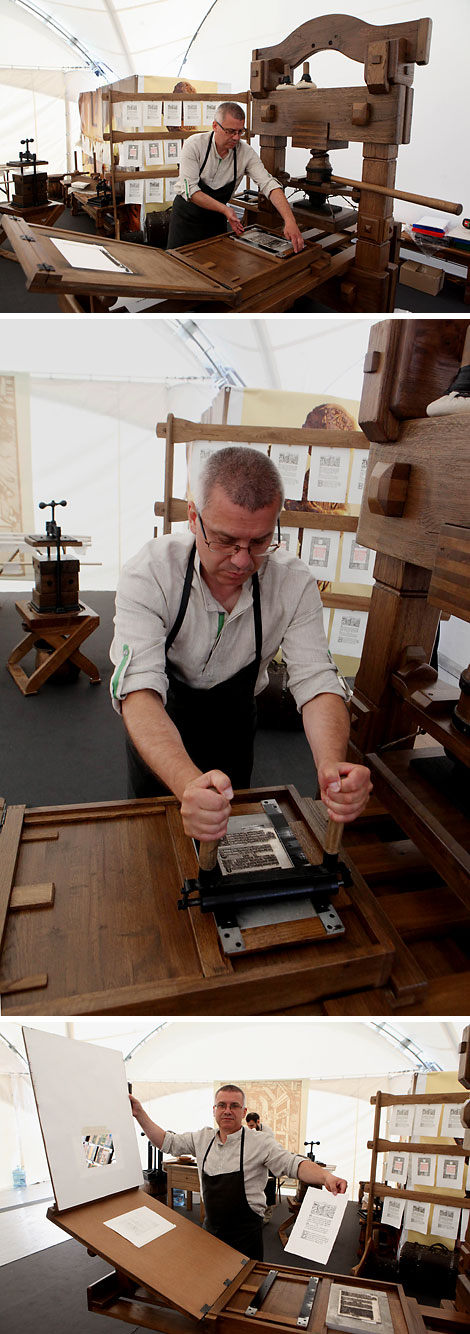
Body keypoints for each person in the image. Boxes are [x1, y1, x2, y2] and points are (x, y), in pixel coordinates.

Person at [110, 446, 372, 841]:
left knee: (234, 842)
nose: (242, 561)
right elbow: (138, 691)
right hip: (161, 726)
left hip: (233, 728)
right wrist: (187, 786)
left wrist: (333, 767)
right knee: (152, 848)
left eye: (260, 541)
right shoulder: (150, 574)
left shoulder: (292, 583)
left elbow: (317, 682)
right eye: (225, 540)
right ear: (194, 517)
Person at [129, 1083, 347, 1259]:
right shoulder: (201, 1138)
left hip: (246, 1236)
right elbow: (167, 1142)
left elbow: (293, 1164)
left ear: (243, 1112)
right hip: (211, 1232)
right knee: (212, 1291)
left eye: (234, 1106)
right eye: (222, 1105)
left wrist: (326, 1176)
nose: (227, 1110)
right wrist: (139, 1114)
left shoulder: (260, 1142)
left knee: (248, 1296)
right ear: (214, 1110)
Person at [167, 100, 304, 252]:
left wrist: (290, 220)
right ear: (215, 126)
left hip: (215, 221)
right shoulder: (194, 145)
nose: (237, 138)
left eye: (240, 132)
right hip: (186, 219)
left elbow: (268, 184)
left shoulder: (245, 153)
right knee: (178, 267)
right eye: (231, 131)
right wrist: (226, 210)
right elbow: (191, 191)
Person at [246, 1112, 277, 1223]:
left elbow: (268, 1148)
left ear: (258, 1122)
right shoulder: (248, 1130)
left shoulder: (267, 1131)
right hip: (256, 1161)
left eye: (252, 1126)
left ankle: (267, 1215)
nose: (250, 1128)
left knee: (269, 1187)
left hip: (268, 1161)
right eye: (248, 1126)